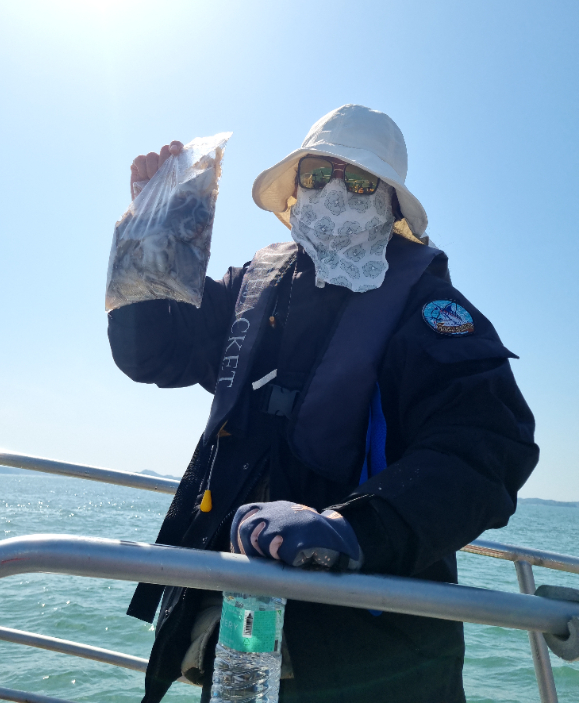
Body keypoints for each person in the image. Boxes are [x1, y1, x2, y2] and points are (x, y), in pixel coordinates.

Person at [108, 104, 538, 703]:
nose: (334, 190)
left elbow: (489, 447)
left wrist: (354, 529)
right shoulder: (252, 285)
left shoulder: (431, 313)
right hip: (242, 632)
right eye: (316, 174)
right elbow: (155, 354)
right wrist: (155, 230)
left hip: (372, 650)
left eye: (359, 181)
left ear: (391, 202)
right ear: (296, 187)